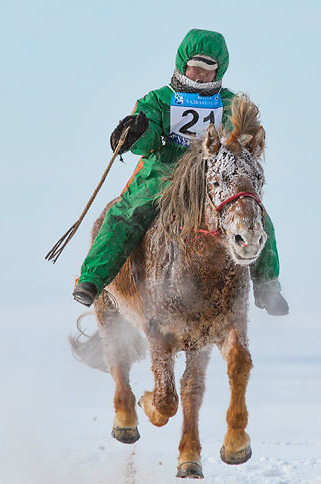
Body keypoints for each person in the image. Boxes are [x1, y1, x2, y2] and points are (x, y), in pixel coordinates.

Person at [72, 28, 288, 316]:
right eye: (195, 67)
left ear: (218, 71)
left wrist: (243, 139)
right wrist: (137, 133)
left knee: (254, 213)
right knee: (124, 214)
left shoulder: (230, 103)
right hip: (164, 172)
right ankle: (92, 279)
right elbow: (147, 138)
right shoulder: (160, 99)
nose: (200, 75)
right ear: (183, 64)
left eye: (208, 70)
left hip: (213, 175)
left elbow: (244, 136)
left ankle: (267, 284)